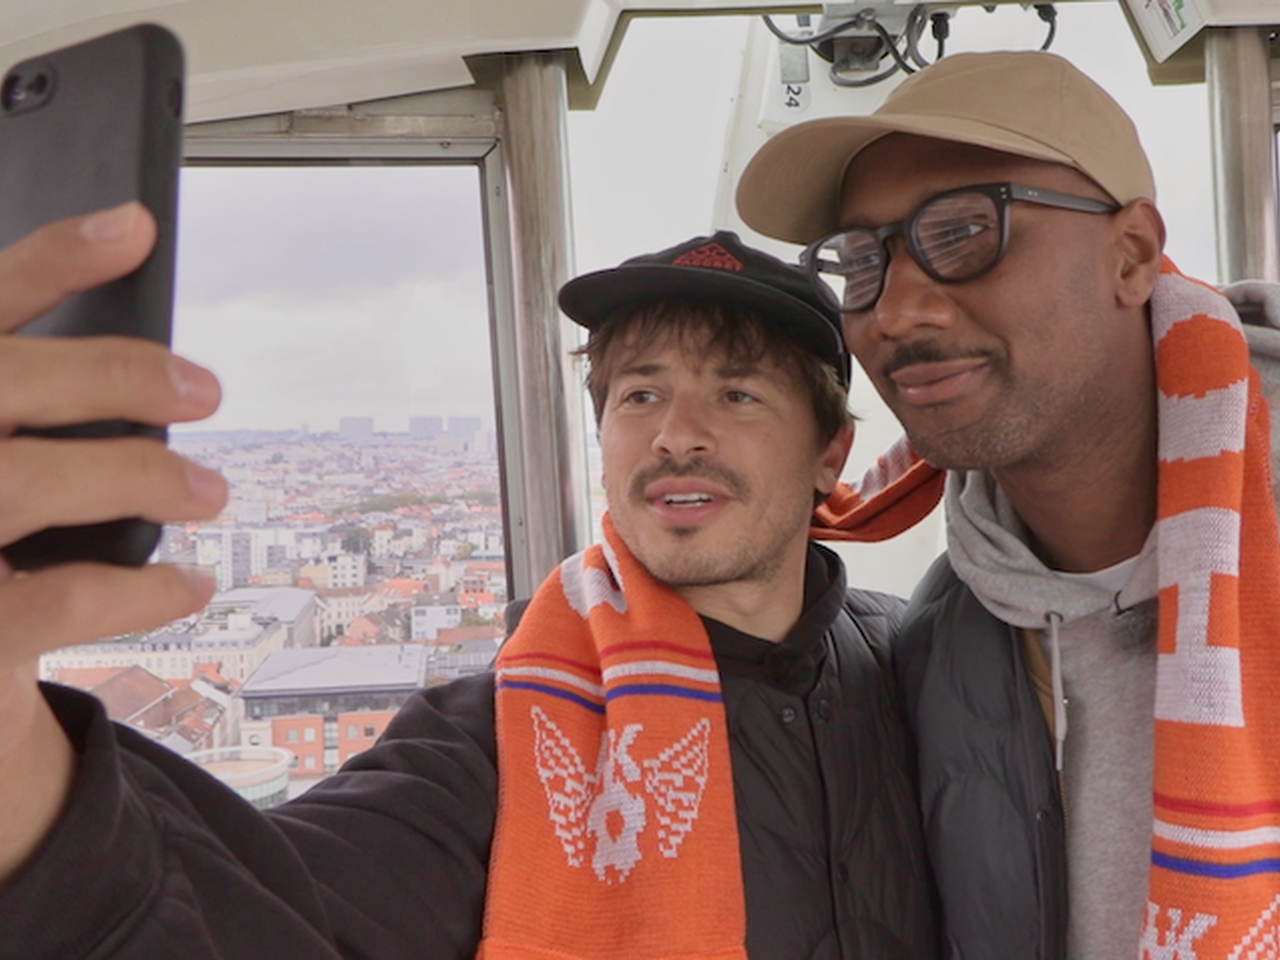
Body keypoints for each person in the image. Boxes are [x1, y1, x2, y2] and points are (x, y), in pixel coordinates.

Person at [0, 221, 937, 958]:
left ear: (829, 453)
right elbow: (257, 910)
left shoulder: (922, 668)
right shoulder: (500, 737)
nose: (674, 434)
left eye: (737, 395)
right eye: (639, 395)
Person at [736, 50, 1280, 959]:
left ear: (1131, 256)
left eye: (962, 233)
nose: (895, 312)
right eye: (862, 262)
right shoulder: (945, 642)